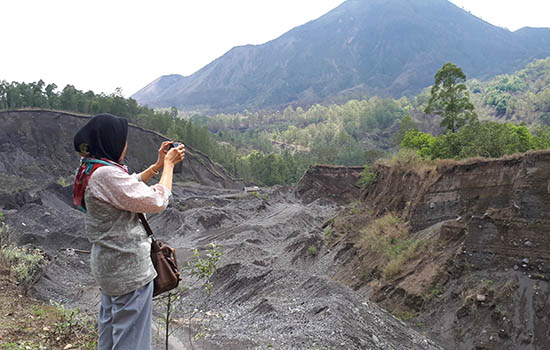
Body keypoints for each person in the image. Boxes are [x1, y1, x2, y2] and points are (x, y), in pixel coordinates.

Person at [72, 113, 185, 349]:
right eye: (122, 140)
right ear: (110, 141)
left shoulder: (89, 169)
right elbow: (157, 202)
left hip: (109, 268)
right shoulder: (106, 174)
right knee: (131, 342)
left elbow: (125, 186)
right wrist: (169, 167)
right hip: (128, 271)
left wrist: (155, 167)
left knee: (111, 335)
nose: (125, 145)